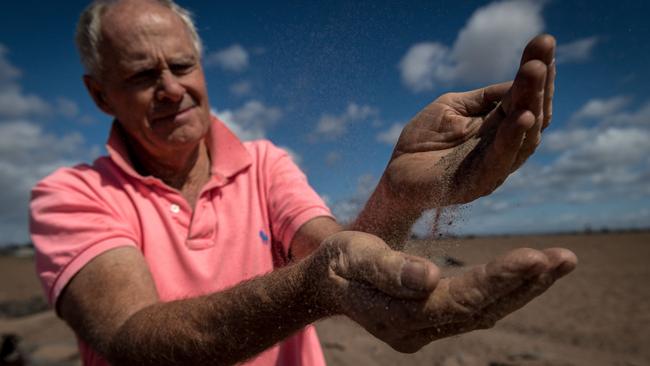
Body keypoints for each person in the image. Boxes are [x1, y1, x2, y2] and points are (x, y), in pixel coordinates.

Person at [29, 0, 577, 365]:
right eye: (144, 75)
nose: (172, 88)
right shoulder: (70, 196)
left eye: (182, 65)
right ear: (100, 94)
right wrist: (318, 285)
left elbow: (333, 250)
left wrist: (401, 192)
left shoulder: (265, 162)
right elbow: (132, 341)